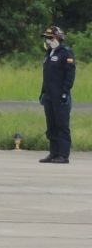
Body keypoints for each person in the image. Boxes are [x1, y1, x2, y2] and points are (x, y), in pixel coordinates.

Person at [39, 24, 75, 164]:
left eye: (50, 37)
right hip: (49, 96)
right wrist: (43, 93)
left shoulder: (66, 53)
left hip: (60, 96)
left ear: (58, 37)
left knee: (62, 125)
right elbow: (47, 76)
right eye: (46, 38)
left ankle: (63, 155)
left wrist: (65, 92)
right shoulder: (49, 53)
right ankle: (53, 153)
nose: (48, 40)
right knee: (51, 125)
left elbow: (70, 75)